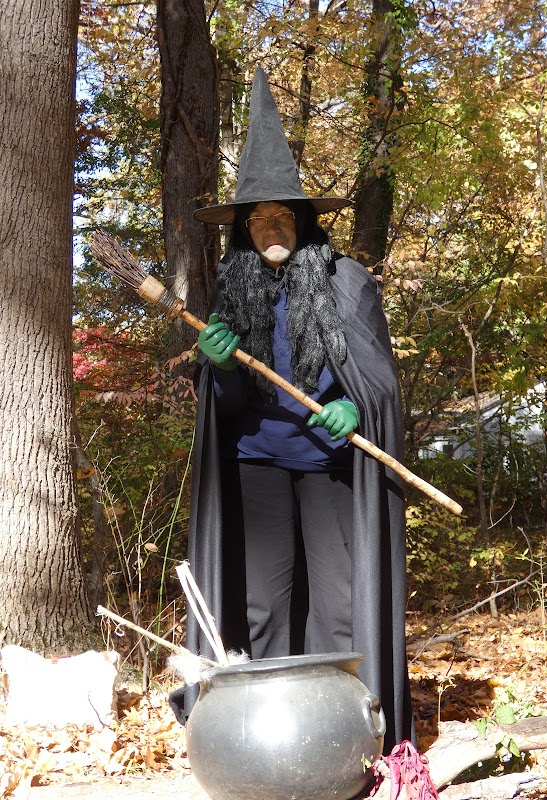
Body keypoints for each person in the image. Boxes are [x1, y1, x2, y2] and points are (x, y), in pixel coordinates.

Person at [179, 67, 413, 749]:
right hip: (256, 464)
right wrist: (220, 369)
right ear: (242, 231)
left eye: (281, 214)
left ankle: (349, 734)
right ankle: (271, 736)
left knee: (341, 605)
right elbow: (225, 405)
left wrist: (356, 413)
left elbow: (378, 379)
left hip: (331, 464)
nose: (270, 227)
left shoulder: (346, 280)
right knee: (263, 606)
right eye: (256, 219)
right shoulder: (232, 289)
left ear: (303, 220)